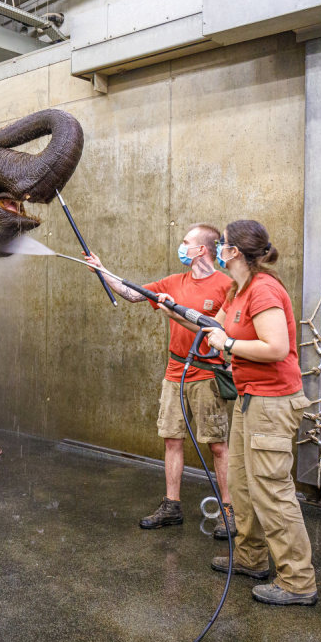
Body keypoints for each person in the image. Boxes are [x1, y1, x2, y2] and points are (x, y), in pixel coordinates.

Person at [161, 219, 317, 606]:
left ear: (234, 252)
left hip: (272, 401)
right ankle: (250, 558)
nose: (219, 250)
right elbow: (213, 327)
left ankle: (298, 582)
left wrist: (229, 343)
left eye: (224, 245)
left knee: (273, 492)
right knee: (245, 489)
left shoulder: (263, 290)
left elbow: (277, 347)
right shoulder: (238, 288)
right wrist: (174, 309)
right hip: (250, 399)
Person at [85, 224, 235, 536]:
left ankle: (229, 511)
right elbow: (131, 293)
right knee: (172, 439)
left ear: (202, 250)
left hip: (208, 374)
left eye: (186, 242)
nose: (182, 247)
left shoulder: (226, 285)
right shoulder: (173, 282)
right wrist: (102, 270)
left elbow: (219, 332)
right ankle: (172, 506)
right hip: (175, 373)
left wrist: (175, 311)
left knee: (218, 446)